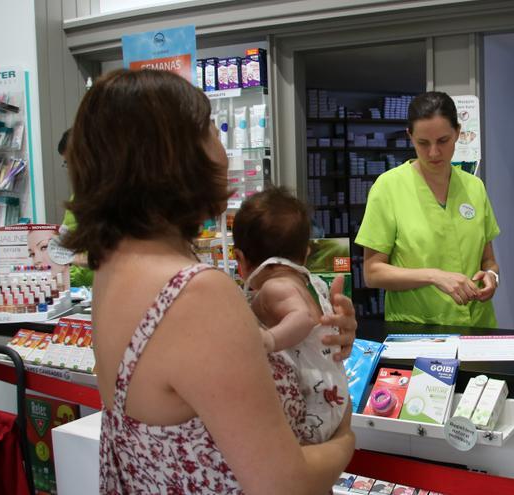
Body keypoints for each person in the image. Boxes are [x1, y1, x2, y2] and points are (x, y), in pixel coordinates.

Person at [63, 69, 356, 494]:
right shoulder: (193, 292)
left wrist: (316, 347)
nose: (222, 152)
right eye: (209, 131)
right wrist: (346, 440)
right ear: (173, 156)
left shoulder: (113, 266)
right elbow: (284, 483)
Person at [355, 91, 500, 327]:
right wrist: (433, 276)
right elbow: (372, 273)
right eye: (423, 143)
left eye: (443, 141)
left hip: (478, 327)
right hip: (417, 329)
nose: (434, 152)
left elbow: (489, 260)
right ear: (410, 137)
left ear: (458, 133)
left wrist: (492, 277)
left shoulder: (474, 188)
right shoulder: (388, 187)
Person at [233, 187, 349, 445]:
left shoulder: (277, 286)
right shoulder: (315, 283)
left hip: (311, 406)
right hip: (332, 395)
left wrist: (267, 340)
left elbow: (303, 318)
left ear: (240, 258)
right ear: (306, 253)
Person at [56, 129, 94, 287]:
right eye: (67, 163)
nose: (71, 170)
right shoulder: (76, 199)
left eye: (71, 162)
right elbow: (65, 240)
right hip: (83, 290)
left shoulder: (118, 198)